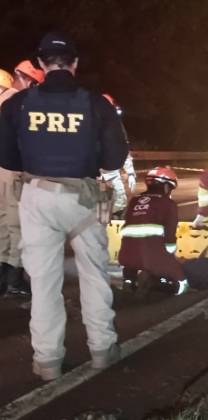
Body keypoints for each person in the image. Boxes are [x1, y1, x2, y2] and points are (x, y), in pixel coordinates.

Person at [0, 33, 129, 381]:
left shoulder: (17, 104)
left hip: (37, 196)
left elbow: (6, 155)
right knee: (94, 276)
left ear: (41, 64)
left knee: (44, 284)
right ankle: (103, 351)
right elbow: (117, 156)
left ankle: (47, 362)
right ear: (74, 63)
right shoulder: (95, 103)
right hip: (83, 198)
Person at [0, 61, 46, 297]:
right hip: (11, 169)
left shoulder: (6, 98)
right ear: (22, 77)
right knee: (16, 223)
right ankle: (14, 279)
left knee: (3, 222)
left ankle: (4, 278)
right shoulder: (16, 102)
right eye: (33, 82)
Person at [119, 167, 189, 295]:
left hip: (126, 256)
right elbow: (170, 235)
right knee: (183, 285)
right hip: (152, 257)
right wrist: (171, 255)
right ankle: (156, 284)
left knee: (133, 259)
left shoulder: (134, 201)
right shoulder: (168, 203)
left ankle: (129, 280)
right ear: (167, 187)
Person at [99, 93, 136, 218]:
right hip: (93, 175)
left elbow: (123, 147)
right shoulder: (87, 122)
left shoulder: (115, 125)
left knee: (120, 202)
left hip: (111, 172)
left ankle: (113, 227)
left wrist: (130, 172)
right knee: (97, 207)